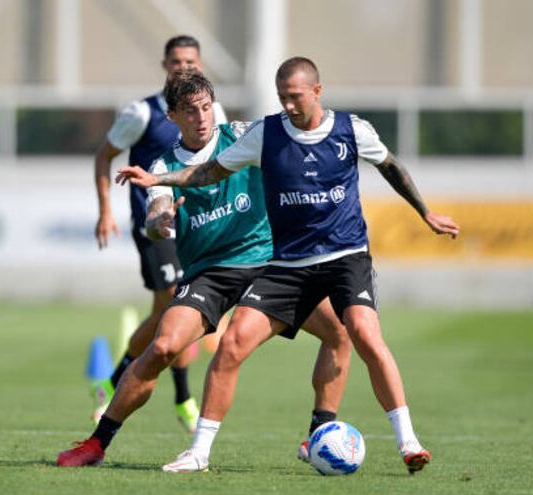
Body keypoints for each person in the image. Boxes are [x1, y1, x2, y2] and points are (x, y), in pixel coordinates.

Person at [116, 57, 461, 474]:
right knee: (229, 344)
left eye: (295, 97)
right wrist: (160, 188)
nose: (288, 106)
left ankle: (406, 442)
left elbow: (390, 166)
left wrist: (424, 213)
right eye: (282, 98)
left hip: (344, 257)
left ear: (317, 91)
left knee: (362, 334)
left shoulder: (352, 130)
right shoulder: (266, 133)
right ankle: (197, 452)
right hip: (287, 264)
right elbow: (207, 173)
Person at [57, 70, 352, 468]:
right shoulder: (162, 165)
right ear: (172, 117)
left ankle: (319, 433)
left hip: (269, 264)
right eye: (191, 111)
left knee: (340, 331)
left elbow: (299, 133)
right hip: (209, 273)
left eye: (206, 107)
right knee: (162, 347)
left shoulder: (245, 136)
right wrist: (159, 223)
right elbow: (157, 211)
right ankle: (96, 444)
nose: (202, 117)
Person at [91, 35, 227, 431]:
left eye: (191, 62)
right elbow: (104, 156)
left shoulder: (212, 110)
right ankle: (182, 397)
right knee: (176, 306)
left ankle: (113, 383)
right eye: (177, 62)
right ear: (165, 65)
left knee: (164, 314)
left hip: (197, 227)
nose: (184, 68)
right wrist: (105, 211)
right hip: (156, 226)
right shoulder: (143, 112)